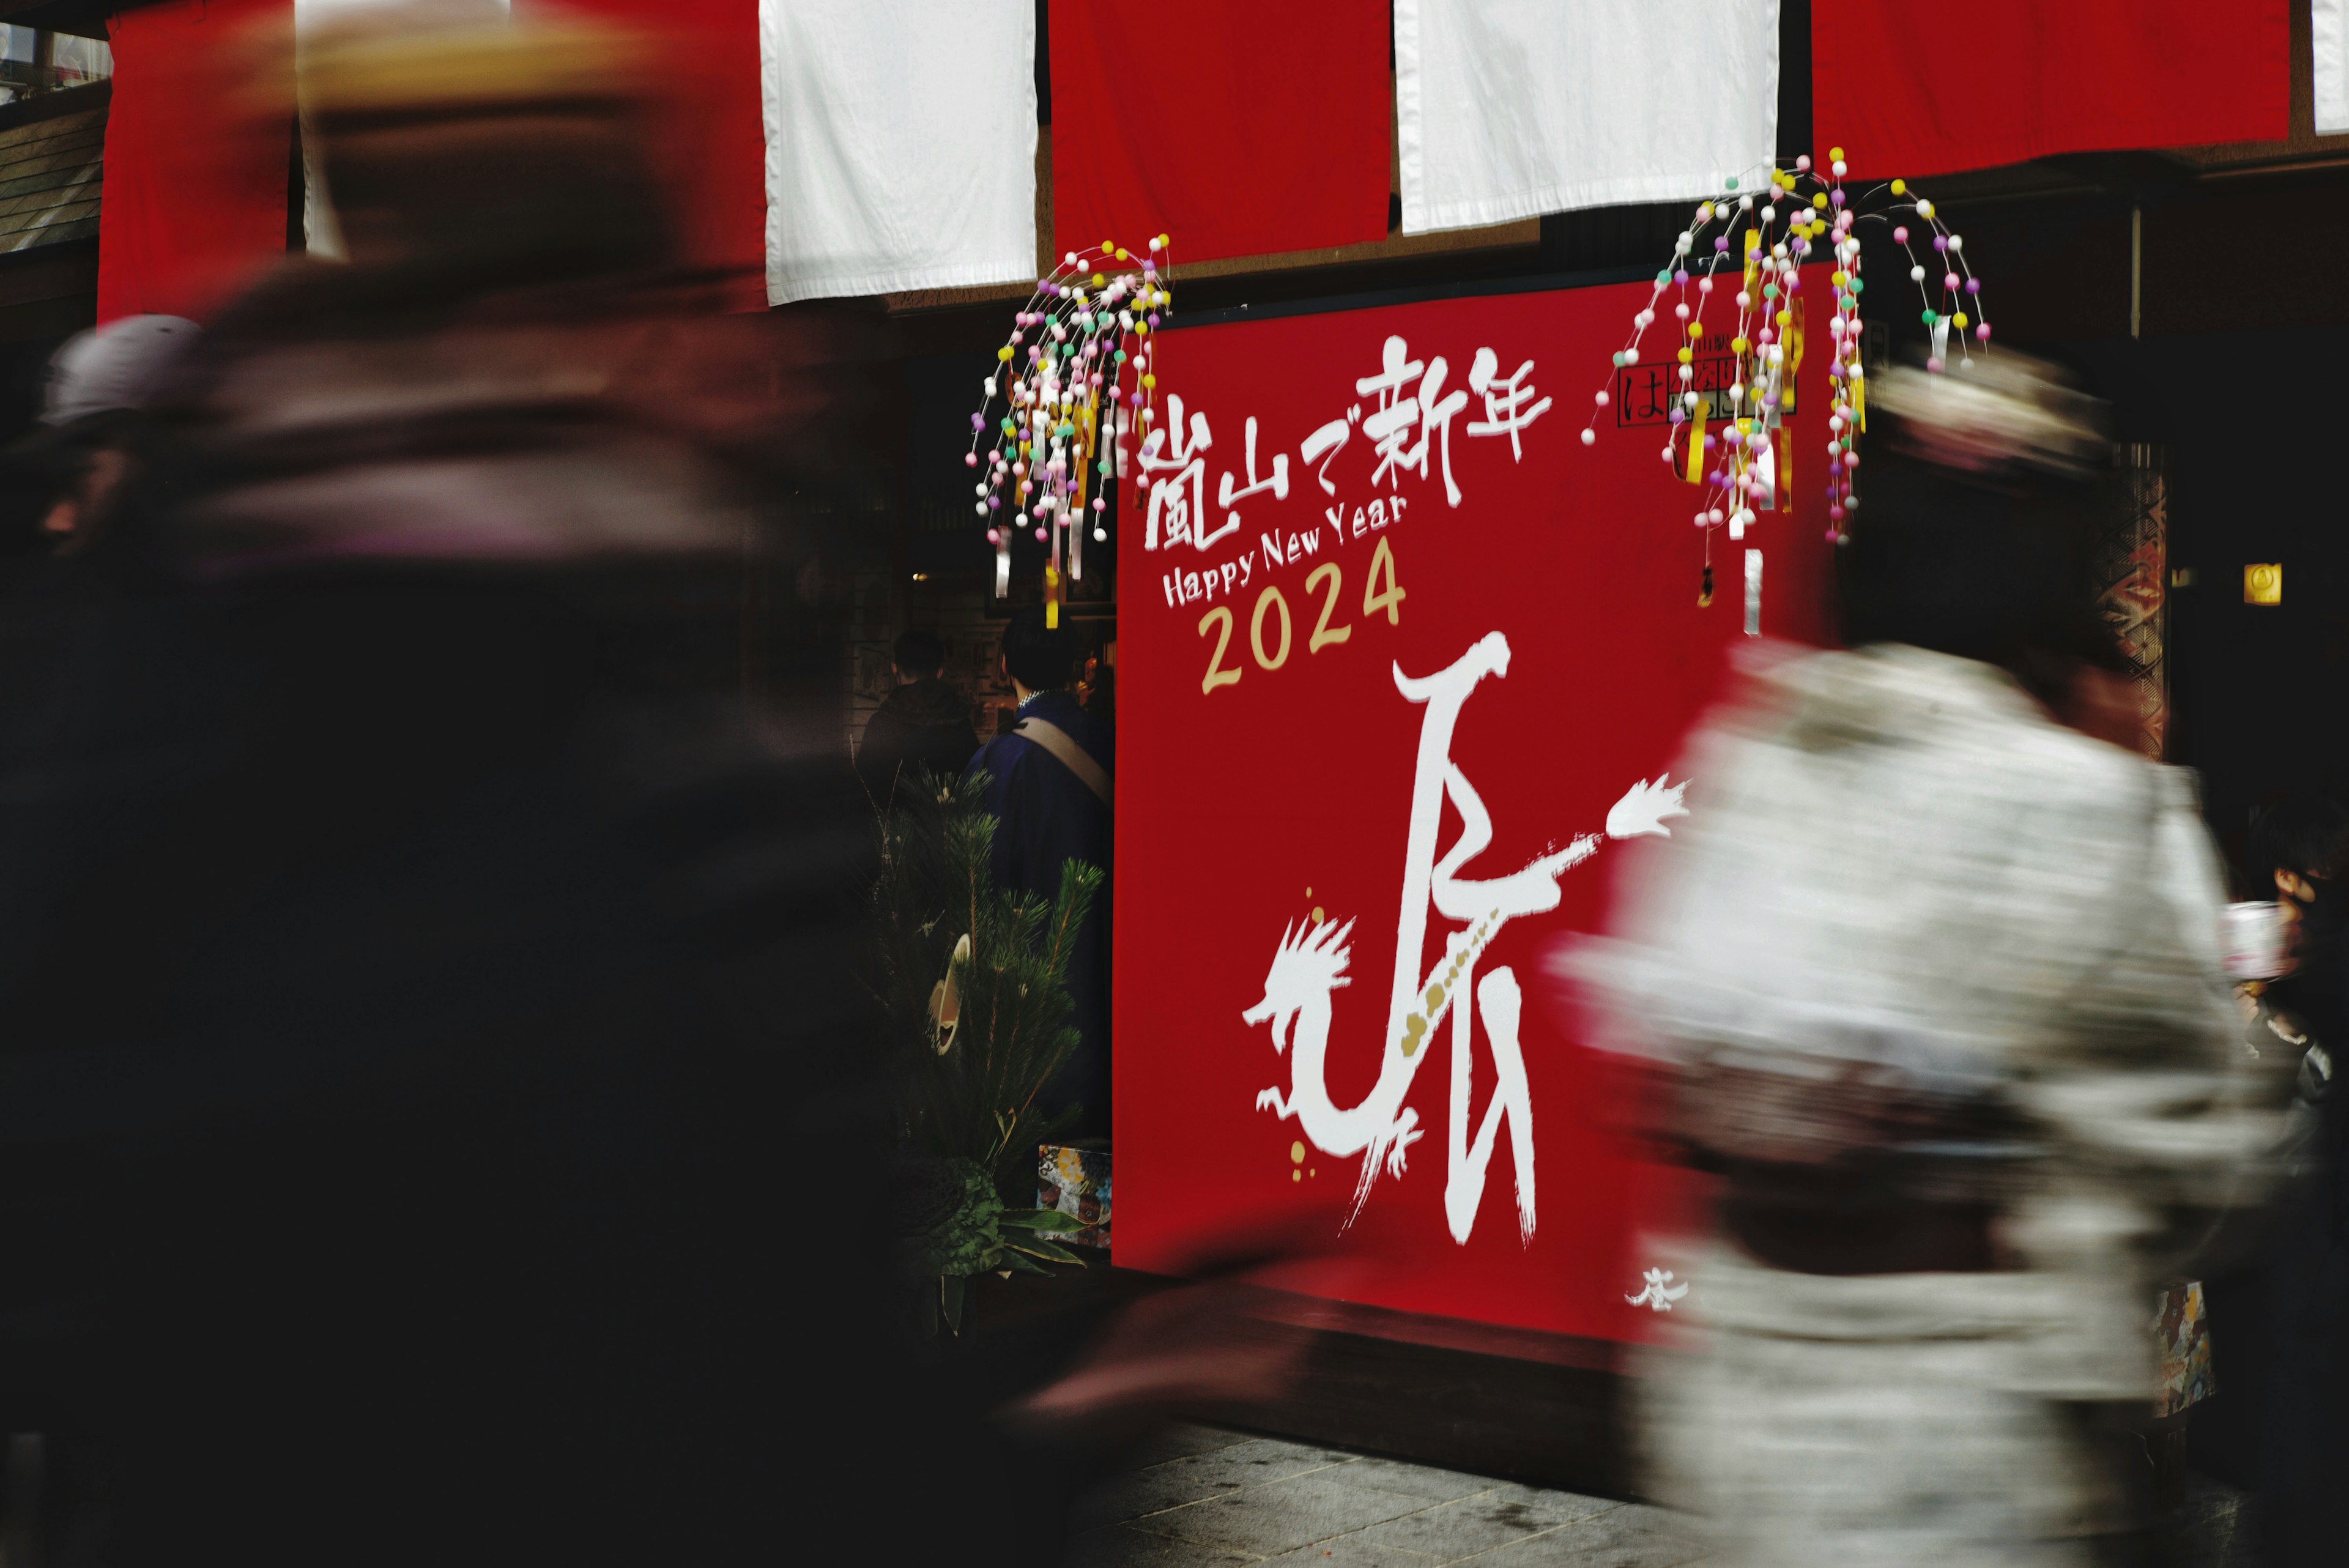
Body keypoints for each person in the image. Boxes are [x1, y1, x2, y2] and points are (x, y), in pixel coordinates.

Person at [1585, 352, 2277, 1568]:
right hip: (1975, 1445)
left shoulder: (1751, 768)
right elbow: (2210, 1139)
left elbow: (1658, 1055)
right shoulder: (2074, 799)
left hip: (1744, 1421)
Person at [964, 606, 1113, 1136]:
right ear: (1077, 665)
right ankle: (1089, 1217)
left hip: (1026, 997)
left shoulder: (994, 763)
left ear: (1006, 667)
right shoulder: (1120, 743)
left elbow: (975, 884)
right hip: (1112, 980)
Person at [856, 626, 980, 801]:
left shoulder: (881, 725)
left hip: (890, 827)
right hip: (949, 827)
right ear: (939, 672)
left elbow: (865, 793)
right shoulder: (961, 724)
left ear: (894, 668)